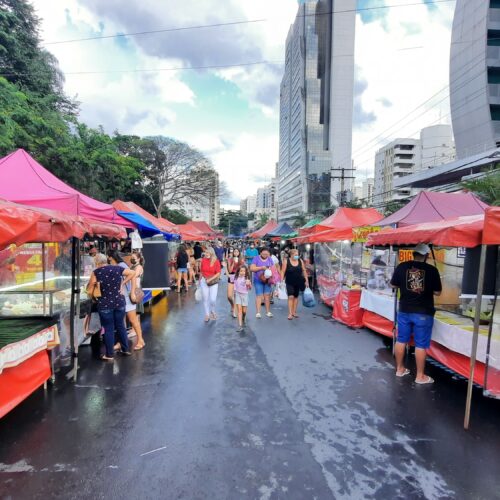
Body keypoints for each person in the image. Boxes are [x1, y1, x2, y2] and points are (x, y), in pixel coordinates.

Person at [390, 244, 442, 385]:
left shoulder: (402, 266)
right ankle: (420, 376)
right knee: (420, 344)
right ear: (426, 256)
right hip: (423, 312)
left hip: (404, 310)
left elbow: (393, 285)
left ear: (413, 254)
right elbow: (437, 292)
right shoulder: (432, 270)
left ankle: (399, 369)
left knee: (401, 339)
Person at [87, 253, 135, 361]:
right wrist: (122, 283)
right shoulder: (117, 268)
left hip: (105, 304)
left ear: (97, 263)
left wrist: (92, 289)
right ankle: (125, 349)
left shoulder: (96, 272)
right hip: (119, 302)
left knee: (108, 329)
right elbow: (132, 273)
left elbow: (89, 289)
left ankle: (109, 355)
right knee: (120, 326)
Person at [108, 251, 145, 352]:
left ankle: (141, 340)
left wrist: (132, 292)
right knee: (122, 322)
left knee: (133, 320)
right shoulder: (119, 265)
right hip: (121, 297)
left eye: (109, 259)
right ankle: (121, 342)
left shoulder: (121, 265)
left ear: (111, 258)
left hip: (127, 297)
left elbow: (132, 276)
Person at [281, 248, 309, 320]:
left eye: (298, 255)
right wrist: (281, 280)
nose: (297, 256)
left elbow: (304, 270)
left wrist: (306, 280)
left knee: (296, 297)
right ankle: (290, 313)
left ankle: (294, 312)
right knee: (291, 296)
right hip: (289, 282)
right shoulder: (286, 261)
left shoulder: (300, 261)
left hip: (298, 281)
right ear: (291, 255)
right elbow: (283, 271)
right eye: (296, 255)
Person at [250, 247, 275, 318]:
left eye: (267, 254)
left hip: (268, 280)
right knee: (259, 296)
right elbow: (252, 268)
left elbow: (273, 268)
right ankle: (258, 312)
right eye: (264, 254)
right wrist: (261, 268)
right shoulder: (256, 258)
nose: (265, 255)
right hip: (258, 279)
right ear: (260, 253)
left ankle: (268, 312)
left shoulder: (270, 258)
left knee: (267, 295)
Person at [200, 246, 222, 322]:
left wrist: (210, 279)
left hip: (213, 282)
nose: (206, 254)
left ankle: (212, 311)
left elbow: (218, 273)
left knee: (213, 299)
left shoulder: (216, 261)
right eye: (205, 252)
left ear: (211, 253)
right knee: (205, 298)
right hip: (204, 281)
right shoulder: (203, 260)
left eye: (207, 252)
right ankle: (207, 314)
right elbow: (201, 271)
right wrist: (200, 281)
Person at [130, 251, 146, 350]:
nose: (132, 259)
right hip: (135, 289)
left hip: (136, 290)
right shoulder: (133, 266)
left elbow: (133, 276)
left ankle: (134, 330)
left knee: (136, 311)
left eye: (133, 257)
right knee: (135, 311)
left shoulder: (139, 267)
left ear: (139, 259)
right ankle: (133, 329)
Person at [234, 266, 252, 332]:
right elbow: (235, 286)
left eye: (244, 271)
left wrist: (249, 284)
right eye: (241, 271)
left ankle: (243, 317)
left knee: (244, 311)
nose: (242, 272)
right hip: (238, 294)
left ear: (246, 272)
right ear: (238, 271)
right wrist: (235, 293)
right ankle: (240, 325)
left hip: (245, 295)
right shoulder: (236, 278)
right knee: (239, 309)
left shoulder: (247, 279)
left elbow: (250, 288)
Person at [227, 248, 243, 318]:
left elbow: (243, 270)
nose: (236, 253)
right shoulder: (230, 259)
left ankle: (234, 310)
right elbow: (230, 271)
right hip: (231, 276)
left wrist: (239, 263)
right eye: (235, 251)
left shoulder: (241, 260)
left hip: (238, 277)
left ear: (239, 253)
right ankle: (232, 305)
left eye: (237, 251)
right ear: (233, 253)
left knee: (236, 295)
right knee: (229, 296)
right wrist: (233, 262)